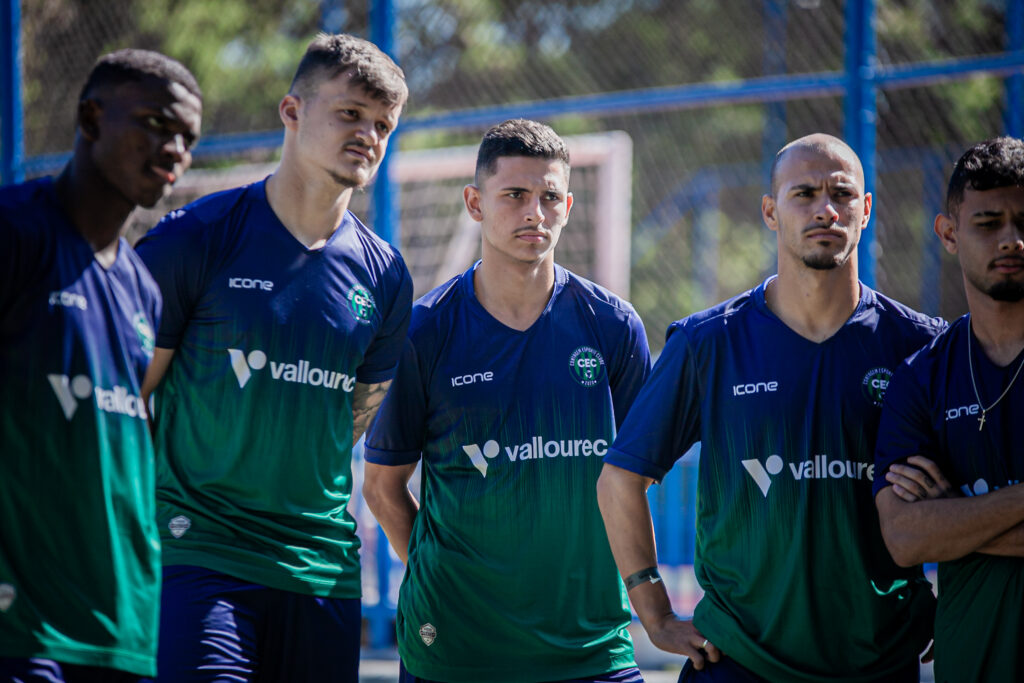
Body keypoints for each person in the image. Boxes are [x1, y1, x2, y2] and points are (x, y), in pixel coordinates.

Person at [597, 133, 946, 683]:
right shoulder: (707, 342)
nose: (825, 209)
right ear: (770, 212)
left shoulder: (921, 346)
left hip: (878, 663)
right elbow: (620, 478)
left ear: (866, 208)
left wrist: (955, 598)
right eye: (803, 194)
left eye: (842, 194)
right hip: (736, 661)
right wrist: (656, 614)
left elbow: (973, 496)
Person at [133, 33, 411, 682]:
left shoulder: (386, 277)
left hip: (321, 568)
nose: (369, 134)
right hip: (196, 550)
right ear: (291, 111)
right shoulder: (194, 239)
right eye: (350, 113)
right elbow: (127, 397)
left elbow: (348, 421)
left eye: (384, 124)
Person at [362, 119, 651, 683]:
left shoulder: (612, 326)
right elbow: (382, 486)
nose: (533, 213)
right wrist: (440, 575)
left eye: (548, 197)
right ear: (475, 202)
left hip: (590, 647)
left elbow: (639, 477)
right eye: (514, 195)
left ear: (568, 205)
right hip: (456, 648)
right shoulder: (424, 331)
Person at [0, 49, 202, 682]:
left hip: (123, 628)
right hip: (20, 626)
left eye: (187, 138)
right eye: (154, 123)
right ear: (91, 118)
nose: (173, 149)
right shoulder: (16, 233)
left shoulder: (142, 287)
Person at [874, 136, 1024, 683]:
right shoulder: (921, 376)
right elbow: (907, 539)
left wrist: (955, 515)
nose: (1013, 239)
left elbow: (932, 531)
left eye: (1023, 220)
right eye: (988, 223)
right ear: (949, 234)